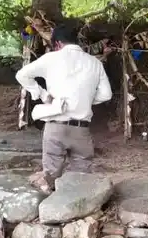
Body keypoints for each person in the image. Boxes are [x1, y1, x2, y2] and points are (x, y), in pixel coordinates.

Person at [15, 23, 112, 190]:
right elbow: (106, 95)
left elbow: (21, 75)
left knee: (51, 176)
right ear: (76, 42)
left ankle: (53, 204)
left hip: (55, 127)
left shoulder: (51, 58)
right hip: (81, 129)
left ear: (57, 43)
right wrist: (86, 100)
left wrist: (42, 94)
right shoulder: (95, 63)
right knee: (81, 179)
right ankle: (78, 208)